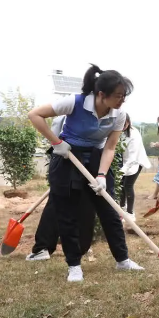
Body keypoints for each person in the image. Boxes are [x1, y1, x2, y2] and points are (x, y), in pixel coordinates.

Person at [27, 64, 144, 282]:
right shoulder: (75, 102)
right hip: (67, 157)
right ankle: (74, 266)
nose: (122, 100)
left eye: (124, 96)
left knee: (109, 211)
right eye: (118, 95)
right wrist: (57, 143)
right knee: (67, 213)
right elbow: (34, 115)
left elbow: (110, 146)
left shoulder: (119, 114)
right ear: (102, 94)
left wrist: (101, 175)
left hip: (97, 158)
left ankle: (123, 260)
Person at [25, 115, 96, 261]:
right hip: (68, 159)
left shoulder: (91, 113)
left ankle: (78, 247)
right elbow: (54, 138)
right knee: (61, 204)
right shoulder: (68, 114)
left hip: (85, 163)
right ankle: (47, 248)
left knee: (72, 204)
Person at [119, 113, 152, 222]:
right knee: (121, 186)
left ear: (128, 122)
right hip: (124, 161)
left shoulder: (134, 134)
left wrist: (122, 171)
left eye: (125, 123)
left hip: (136, 161)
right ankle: (122, 209)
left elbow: (132, 157)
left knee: (127, 185)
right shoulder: (119, 131)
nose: (123, 126)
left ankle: (130, 213)